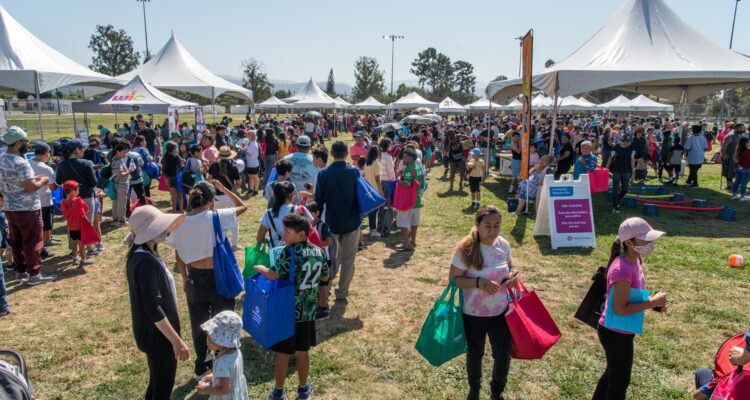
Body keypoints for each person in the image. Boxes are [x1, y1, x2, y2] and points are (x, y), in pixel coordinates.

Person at [167, 180, 246, 380]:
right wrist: (225, 189)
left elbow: (178, 255)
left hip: (194, 277)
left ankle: (201, 364)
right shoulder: (214, 217)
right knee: (223, 321)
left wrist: (185, 278)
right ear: (211, 201)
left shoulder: (179, 221)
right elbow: (243, 206)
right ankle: (221, 360)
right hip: (218, 276)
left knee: (199, 324)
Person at [254, 213, 329, 400]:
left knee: (283, 353)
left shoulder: (289, 252)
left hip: (287, 311)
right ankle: (303, 389)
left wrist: (261, 269)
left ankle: (278, 391)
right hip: (307, 311)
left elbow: (273, 275)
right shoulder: (319, 252)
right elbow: (325, 277)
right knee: (302, 351)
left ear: (301, 234)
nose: (284, 235)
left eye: (288, 232)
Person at [448, 205, 519, 400]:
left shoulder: (503, 244)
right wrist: (479, 282)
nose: (493, 231)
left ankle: (497, 392)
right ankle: (474, 388)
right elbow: (454, 281)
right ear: (477, 225)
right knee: (475, 353)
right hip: (473, 314)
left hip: (500, 312)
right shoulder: (467, 249)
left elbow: (510, 267)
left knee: (503, 355)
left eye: (497, 225)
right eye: (487, 225)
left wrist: (512, 277)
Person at [592, 217, 668, 400]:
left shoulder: (635, 261)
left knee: (613, 373)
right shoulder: (622, 269)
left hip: (622, 329)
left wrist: (652, 302)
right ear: (629, 242)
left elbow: (630, 297)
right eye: (645, 239)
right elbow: (620, 308)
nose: (650, 243)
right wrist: (652, 303)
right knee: (620, 381)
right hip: (615, 332)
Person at [125, 205, 189, 400]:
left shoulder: (142, 255)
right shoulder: (145, 262)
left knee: (156, 382)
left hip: (153, 334)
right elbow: (153, 307)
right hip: (158, 337)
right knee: (163, 387)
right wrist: (176, 341)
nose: (165, 229)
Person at [0, 126, 56, 285]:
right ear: (18, 143)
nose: (28, 143)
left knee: (16, 242)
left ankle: (21, 271)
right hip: (27, 208)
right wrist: (44, 180)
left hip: (10, 207)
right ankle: (34, 274)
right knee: (32, 241)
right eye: (25, 141)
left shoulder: (2, 158)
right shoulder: (20, 162)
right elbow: (30, 186)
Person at [314, 141, 360, 303]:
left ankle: (325, 290)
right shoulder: (354, 172)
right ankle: (342, 292)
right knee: (348, 260)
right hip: (352, 221)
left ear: (332, 153)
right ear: (347, 153)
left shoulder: (323, 173)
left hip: (331, 222)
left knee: (329, 259)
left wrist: (316, 222)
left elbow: (318, 200)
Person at [55, 139, 99, 251]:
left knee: (71, 223)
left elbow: (58, 181)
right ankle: (89, 248)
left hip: (69, 200)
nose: (84, 150)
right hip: (86, 197)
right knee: (87, 223)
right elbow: (94, 182)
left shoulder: (61, 165)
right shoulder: (86, 163)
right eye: (82, 148)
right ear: (76, 150)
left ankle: (74, 249)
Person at [195, 311, 249, 400]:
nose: (206, 340)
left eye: (210, 337)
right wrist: (214, 376)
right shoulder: (236, 352)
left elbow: (224, 389)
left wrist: (206, 390)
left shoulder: (223, 362)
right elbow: (230, 374)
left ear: (221, 341)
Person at [257, 181, 313, 248]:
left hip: (275, 254)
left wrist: (270, 240)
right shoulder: (299, 209)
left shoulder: (268, 213)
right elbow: (310, 231)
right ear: (291, 194)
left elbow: (259, 238)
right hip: (297, 253)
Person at [29, 143, 58, 257]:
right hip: (44, 201)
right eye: (49, 153)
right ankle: (43, 249)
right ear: (46, 153)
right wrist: (58, 184)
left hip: (31, 201)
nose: (50, 155)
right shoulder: (46, 168)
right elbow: (52, 187)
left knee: (37, 226)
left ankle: (44, 243)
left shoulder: (27, 163)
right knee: (45, 226)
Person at [396, 148, 425, 251]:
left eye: (404, 156)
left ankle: (407, 244)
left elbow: (407, 184)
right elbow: (420, 184)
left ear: (410, 158)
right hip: (416, 199)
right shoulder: (417, 167)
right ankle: (413, 241)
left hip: (407, 201)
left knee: (404, 222)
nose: (403, 158)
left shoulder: (408, 168)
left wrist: (398, 180)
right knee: (414, 222)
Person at [60, 180, 93, 267]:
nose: (79, 191)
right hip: (79, 227)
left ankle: (75, 258)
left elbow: (66, 215)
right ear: (71, 191)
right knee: (82, 244)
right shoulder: (78, 200)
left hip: (71, 227)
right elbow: (86, 210)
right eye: (77, 189)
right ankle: (83, 260)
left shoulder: (62, 203)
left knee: (74, 242)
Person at [606, 134, 636, 213]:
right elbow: (611, 157)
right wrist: (607, 167)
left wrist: (633, 172)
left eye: (629, 142)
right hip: (616, 170)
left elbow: (632, 159)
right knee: (616, 189)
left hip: (627, 170)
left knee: (625, 189)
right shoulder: (616, 147)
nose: (627, 143)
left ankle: (618, 200)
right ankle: (615, 207)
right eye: (626, 141)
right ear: (622, 141)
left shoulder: (632, 148)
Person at [283, 135, 318, 201]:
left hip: (289, 201)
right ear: (309, 147)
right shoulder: (315, 161)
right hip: (308, 201)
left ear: (296, 146)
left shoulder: (285, 159)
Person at [110, 141, 133, 224]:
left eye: (126, 152)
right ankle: (122, 220)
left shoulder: (116, 160)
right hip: (121, 185)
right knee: (122, 202)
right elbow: (119, 174)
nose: (125, 154)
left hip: (118, 184)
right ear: (118, 152)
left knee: (116, 202)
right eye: (124, 152)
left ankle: (116, 219)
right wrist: (129, 171)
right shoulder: (118, 161)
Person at [363, 146, 383, 237]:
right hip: (375, 190)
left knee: (371, 212)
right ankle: (373, 230)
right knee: (374, 212)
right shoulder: (376, 164)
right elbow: (378, 180)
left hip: (368, 189)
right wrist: (381, 191)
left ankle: (372, 229)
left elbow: (364, 175)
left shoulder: (367, 163)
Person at [161, 142, 184, 211]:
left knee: (173, 195)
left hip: (169, 177)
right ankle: (181, 209)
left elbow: (163, 167)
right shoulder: (176, 157)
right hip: (178, 177)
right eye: (176, 148)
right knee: (180, 194)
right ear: (173, 149)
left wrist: (166, 178)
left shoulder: (165, 156)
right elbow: (181, 166)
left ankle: (173, 209)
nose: (177, 149)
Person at [722, 123, 745, 191]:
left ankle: (734, 184)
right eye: (741, 128)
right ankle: (730, 185)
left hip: (737, 157)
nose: (743, 129)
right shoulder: (730, 135)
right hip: (729, 156)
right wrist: (723, 154)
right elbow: (724, 145)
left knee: (736, 172)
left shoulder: (740, 135)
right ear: (736, 128)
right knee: (728, 172)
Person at [730, 137, 750, 201]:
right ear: (746, 143)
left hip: (738, 168)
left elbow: (735, 160)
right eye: (748, 142)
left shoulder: (737, 150)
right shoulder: (748, 151)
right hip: (746, 169)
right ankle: (742, 196)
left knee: (736, 182)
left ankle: (734, 195)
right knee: (744, 183)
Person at [243, 130, 261, 196]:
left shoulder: (253, 144)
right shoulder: (251, 142)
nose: (247, 135)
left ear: (251, 136)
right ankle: (250, 190)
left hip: (253, 164)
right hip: (251, 163)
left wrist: (243, 150)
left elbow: (249, 154)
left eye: (248, 134)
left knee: (255, 177)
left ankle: (255, 191)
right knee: (250, 177)